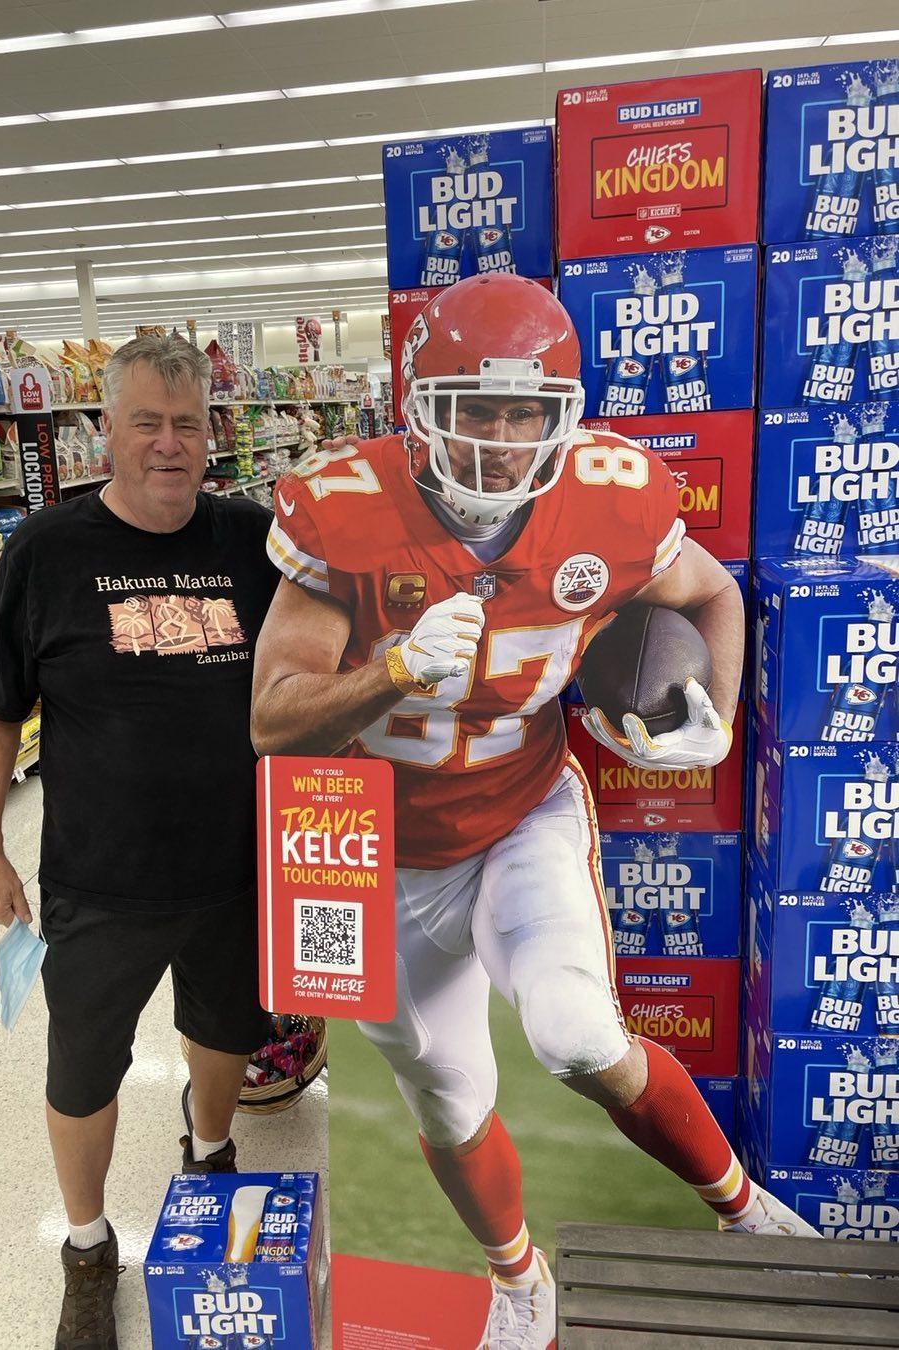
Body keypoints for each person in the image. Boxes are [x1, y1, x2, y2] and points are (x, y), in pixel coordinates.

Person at [251, 275, 819, 1350]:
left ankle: (742, 1211)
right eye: (472, 407)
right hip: (376, 849)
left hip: (520, 808)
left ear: (564, 417)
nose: (499, 441)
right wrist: (390, 674)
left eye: (524, 412)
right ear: (419, 405)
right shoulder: (345, 508)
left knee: (573, 1034)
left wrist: (720, 712)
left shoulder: (607, 494)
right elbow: (275, 722)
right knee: (449, 1098)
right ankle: (518, 1278)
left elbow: (710, 592)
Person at [0, 334, 278, 1350]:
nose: (169, 445)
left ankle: (212, 1148)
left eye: (187, 424)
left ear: (209, 431)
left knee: (229, 1029)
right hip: (100, 874)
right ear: (107, 429)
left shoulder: (255, 543)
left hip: (235, 864)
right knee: (82, 1063)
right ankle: (89, 1246)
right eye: (146, 422)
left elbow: (311, 674)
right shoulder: (46, 551)